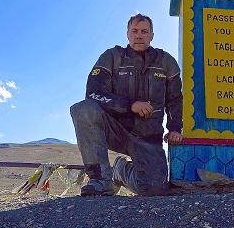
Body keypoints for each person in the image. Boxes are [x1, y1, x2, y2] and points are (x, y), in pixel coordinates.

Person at [70, 14, 183, 196]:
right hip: (116, 130)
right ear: (127, 34)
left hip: (148, 137)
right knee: (84, 109)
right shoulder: (111, 57)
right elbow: (93, 93)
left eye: (144, 32)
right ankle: (100, 180)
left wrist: (175, 128)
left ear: (152, 35)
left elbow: (176, 99)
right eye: (135, 31)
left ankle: (120, 170)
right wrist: (129, 105)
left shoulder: (166, 62)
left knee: (155, 188)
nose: (139, 35)